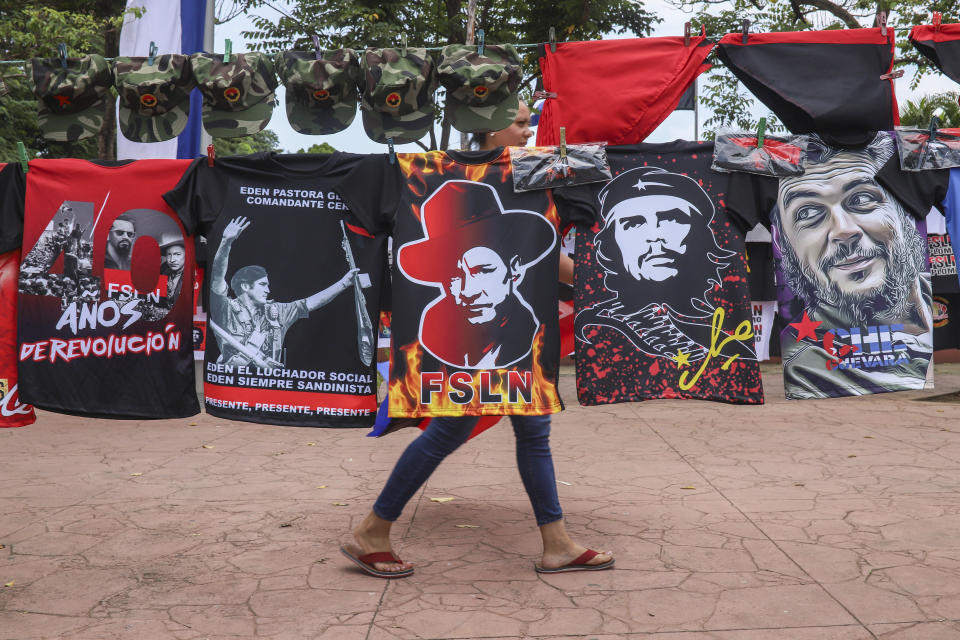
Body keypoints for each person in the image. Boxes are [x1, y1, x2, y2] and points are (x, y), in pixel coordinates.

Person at [341, 100, 613, 578]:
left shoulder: (535, 177)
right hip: (458, 359)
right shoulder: (435, 170)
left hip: (522, 352)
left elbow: (548, 258)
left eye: (485, 269)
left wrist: (609, 284)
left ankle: (557, 543)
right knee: (450, 430)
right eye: (520, 123)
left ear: (511, 269)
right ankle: (372, 530)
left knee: (533, 431)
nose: (529, 133)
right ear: (489, 129)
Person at [773, 134, 932, 395]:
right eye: (809, 213)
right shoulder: (804, 367)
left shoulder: (926, 296)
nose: (843, 231)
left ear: (903, 211)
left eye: (861, 199)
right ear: (783, 241)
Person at [576, 166, 753, 364]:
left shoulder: (726, 329)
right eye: (634, 224)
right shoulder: (596, 328)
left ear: (702, 235)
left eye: (671, 219)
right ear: (611, 244)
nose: (654, 237)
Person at [397, 180, 554, 368]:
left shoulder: (531, 332)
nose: (468, 291)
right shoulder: (432, 329)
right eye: (454, 276)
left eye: (482, 271)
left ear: (514, 269)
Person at [209, 216, 358, 369]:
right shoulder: (224, 309)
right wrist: (226, 242)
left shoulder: (277, 312)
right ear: (246, 286)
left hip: (271, 384)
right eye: (262, 284)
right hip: (234, 385)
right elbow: (217, 276)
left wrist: (345, 283)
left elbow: (310, 303)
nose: (268, 290)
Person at [160, 236, 186, 309]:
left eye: (177, 254)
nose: (172, 260)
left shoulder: (192, 275)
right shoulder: (161, 272)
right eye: (169, 255)